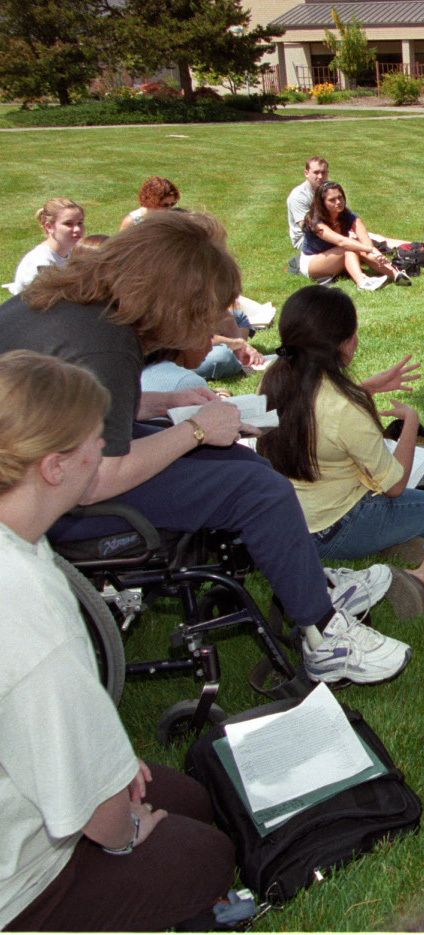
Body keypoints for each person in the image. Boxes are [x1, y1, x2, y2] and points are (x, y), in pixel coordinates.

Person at [0, 212, 411, 686]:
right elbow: (95, 481)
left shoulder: (77, 307)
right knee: (258, 488)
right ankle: (324, 639)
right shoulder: (107, 344)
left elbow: (95, 407)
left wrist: (170, 402)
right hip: (51, 501)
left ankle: (310, 583)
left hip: (37, 467)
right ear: (177, 305)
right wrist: (193, 430)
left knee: (230, 458)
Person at [0, 349, 234, 931]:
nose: (104, 452)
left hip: (24, 786)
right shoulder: (25, 607)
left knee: (190, 798)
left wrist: (105, 764)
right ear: (54, 467)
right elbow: (93, 811)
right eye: (94, 440)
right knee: (205, 855)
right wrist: (128, 833)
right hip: (17, 886)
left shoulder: (21, 540)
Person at [257, 286, 424, 610]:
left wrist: (365, 389)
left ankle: (395, 540)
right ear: (344, 344)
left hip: (290, 524)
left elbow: (317, 417)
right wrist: (411, 422)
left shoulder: (275, 381)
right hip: (336, 527)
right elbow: (395, 485)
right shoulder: (346, 409)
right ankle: (420, 577)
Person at [301, 180, 410, 288]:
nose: (338, 202)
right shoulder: (314, 221)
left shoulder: (348, 215)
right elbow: (341, 242)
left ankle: (396, 275)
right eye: (332, 200)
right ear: (322, 203)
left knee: (357, 246)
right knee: (350, 247)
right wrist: (370, 250)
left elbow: (366, 241)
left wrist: (375, 253)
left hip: (338, 256)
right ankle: (362, 282)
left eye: (340, 197)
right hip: (312, 263)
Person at [11, 198, 85, 295]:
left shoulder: (72, 254)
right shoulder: (41, 262)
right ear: (49, 227)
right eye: (68, 224)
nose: (77, 229)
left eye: (80, 223)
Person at [287, 155, 328, 252]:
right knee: (347, 247)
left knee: (364, 240)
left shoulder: (331, 190)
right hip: (306, 239)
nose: (320, 176)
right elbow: (308, 228)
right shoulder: (299, 196)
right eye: (316, 172)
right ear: (306, 173)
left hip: (330, 231)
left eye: (323, 172)